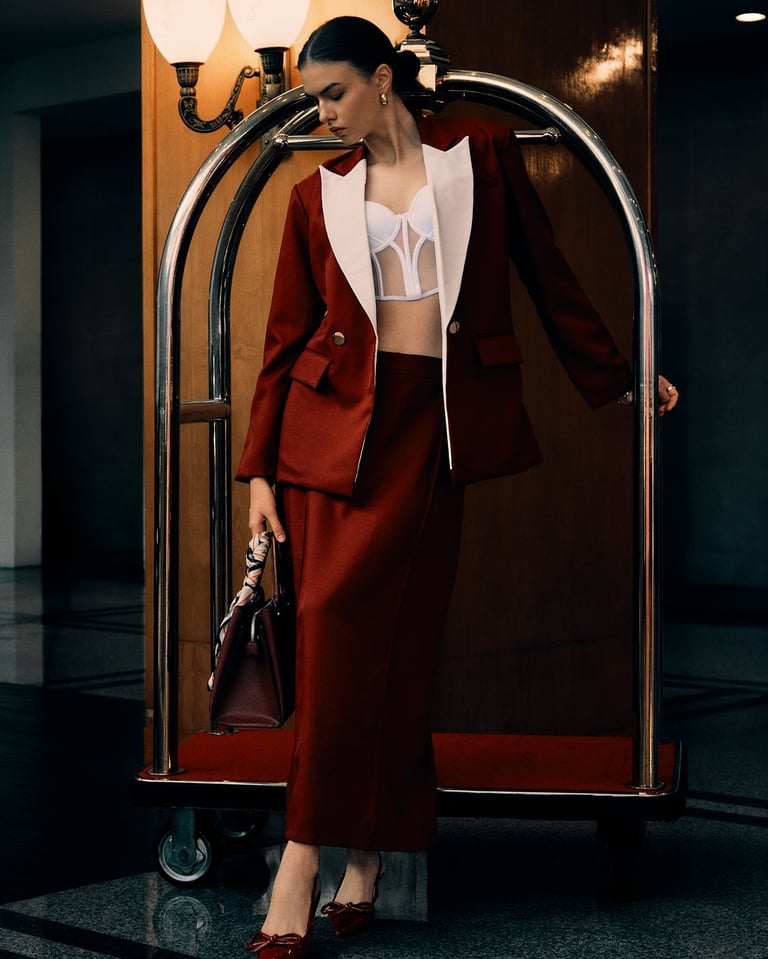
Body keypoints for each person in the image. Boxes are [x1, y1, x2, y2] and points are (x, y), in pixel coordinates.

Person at [235, 15, 679, 957]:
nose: (323, 111)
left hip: (436, 432)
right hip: (332, 444)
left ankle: (370, 858)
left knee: (399, 648)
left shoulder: (476, 157)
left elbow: (546, 275)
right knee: (329, 638)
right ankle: (303, 856)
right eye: (314, 97)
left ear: (384, 78)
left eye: (335, 92)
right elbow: (281, 346)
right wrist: (259, 474)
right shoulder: (315, 196)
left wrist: (624, 371)